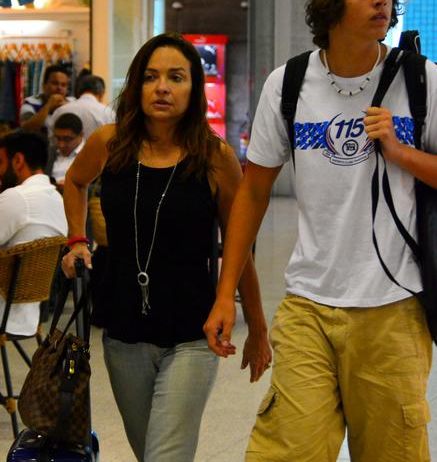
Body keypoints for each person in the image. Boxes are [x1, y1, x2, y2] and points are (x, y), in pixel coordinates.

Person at [204, 0, 437, 461]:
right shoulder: (287, 84)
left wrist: (399, 152)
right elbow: (253, 193)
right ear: (331, 2)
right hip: (309, 303)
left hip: (394, 308)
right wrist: (226, 295)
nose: (381, 0)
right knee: (285, 451)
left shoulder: (422, 80)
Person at [61, 32, 271, 462]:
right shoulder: (109, 143)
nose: (162, 87)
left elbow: (239, 246)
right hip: (122, 332)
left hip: (194, 332)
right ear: (136, 85)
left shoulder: (215, 156)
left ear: (194, 89)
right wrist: (77, 239)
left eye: (176, 77)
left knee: (165, 457)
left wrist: (258, 329)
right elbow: (75, 182)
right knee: (149, 453)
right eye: (151, 77)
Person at [0, 130, 67, 336]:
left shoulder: (18, 198)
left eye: (1, 163)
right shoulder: (58, 199)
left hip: (4, 312)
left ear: (18, 160)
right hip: (29, 315)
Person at [51, 74, 115, 139]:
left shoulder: (60, 110)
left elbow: (52, 140)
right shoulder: (108, 112)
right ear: (102, 93)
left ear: (79, 91)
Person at [20, 64, 74, 134]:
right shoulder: (30, 103)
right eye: (55, 83)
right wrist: (48, 106)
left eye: (63, 85)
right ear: (44, 85)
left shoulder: (73, 103)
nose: (59, 88)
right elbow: (27, 129)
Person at [46, 112, 84, 192]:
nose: (61, 145)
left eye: (67, 139)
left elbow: (98, 187)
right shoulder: (49, 152)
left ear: (81, 135)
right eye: (58, 138)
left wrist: (74, 186)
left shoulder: (91, 154)